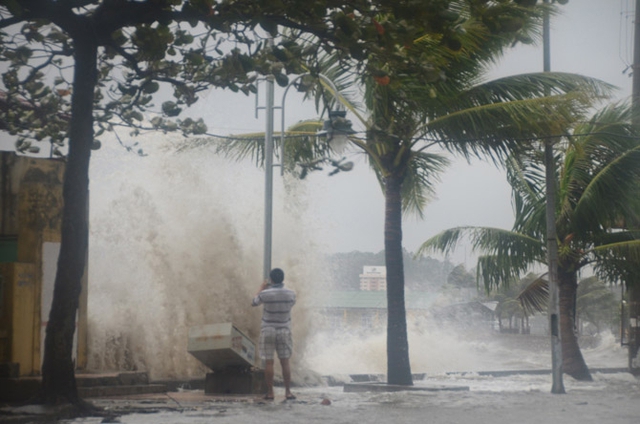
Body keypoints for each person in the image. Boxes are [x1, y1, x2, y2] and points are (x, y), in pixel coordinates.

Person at [251, 268, 296, 400]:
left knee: (269, 363)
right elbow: (291, 304)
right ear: (283, 278)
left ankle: (270, 392)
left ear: (271, 279)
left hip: (268, 329)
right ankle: (288, 392)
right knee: (285, 362)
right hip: (284, 329)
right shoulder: (291, 293)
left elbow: (253, 302)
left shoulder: (266, 293)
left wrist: (261, 288)